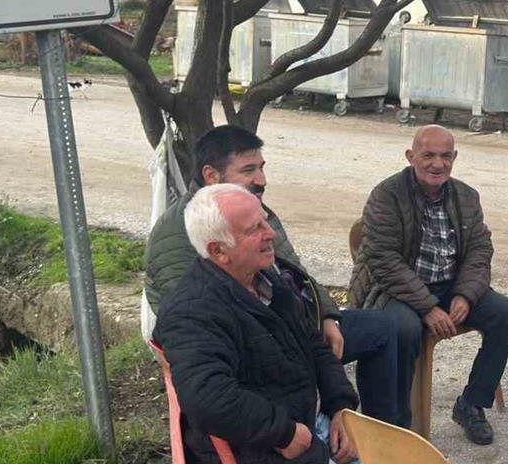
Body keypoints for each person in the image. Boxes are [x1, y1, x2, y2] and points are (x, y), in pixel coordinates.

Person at [154, 184, 381, 464]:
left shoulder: (265, 280)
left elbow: (314, 347)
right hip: (252, 449)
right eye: (254, 229)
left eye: (265, 220)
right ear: (218, 251)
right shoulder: (192, 310)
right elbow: (208, 398)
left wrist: (341, 407)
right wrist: (284, 433)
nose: (270, 233)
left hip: (303, 423)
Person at [145, 125, 420, 427]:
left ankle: (387, 434)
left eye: (262, 168)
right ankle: (339, 436)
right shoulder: (177, 233)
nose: (261, 180)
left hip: (295, 328)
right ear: (212, 176)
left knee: (387, 327)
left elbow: (297, 273)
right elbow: (193, 320)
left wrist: (328, 315)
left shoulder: (254, 211)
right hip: (256, 351)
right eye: (248, 170)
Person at [347, 125, 508, 446]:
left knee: (504, 313)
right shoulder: (386, 195)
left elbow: (480, 250)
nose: (437, 164)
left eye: (445, 156)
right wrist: (427, 307)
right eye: (428, 155)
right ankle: (396, 424)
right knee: (401, 329)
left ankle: (472, 403)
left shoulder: (467, 196)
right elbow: (382, 259)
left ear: (454, 158)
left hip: (451, 286)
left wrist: (466, 295)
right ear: (411, 156)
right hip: (398, 289)